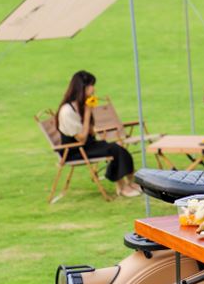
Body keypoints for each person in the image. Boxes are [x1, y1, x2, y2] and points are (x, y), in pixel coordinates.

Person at [56, 70, 141, 198]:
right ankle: (122, 187)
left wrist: (89, 112)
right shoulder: (67, 111)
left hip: (87, 145)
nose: (94, 89)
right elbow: (81, 139)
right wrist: (87, 113)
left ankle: (130, 181)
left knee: (120, 149)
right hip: (74, 150)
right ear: (83, 87)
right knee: (115, 150)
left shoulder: (80, 105)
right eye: (91, 85)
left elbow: (90, 132)